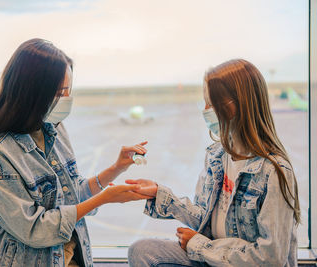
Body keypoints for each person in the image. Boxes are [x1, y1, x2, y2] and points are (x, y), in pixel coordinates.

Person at [0, 38, 151, 267]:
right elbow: (35, 229)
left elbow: (71, 197)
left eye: (67, 91)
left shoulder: (53, 129)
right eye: (59, 92)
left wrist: (115, 169)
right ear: (33, 93)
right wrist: (103, 199)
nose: (66, 100)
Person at [127, 59, 300, 267]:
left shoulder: (274, 172)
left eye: (211, 103)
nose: (205, 110)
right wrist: (160, 193)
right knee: (142, 251)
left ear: (237, 105)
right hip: (215, 257)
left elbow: (270, 258)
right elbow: (205, 217)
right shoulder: (217, 156)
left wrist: (199, 246)